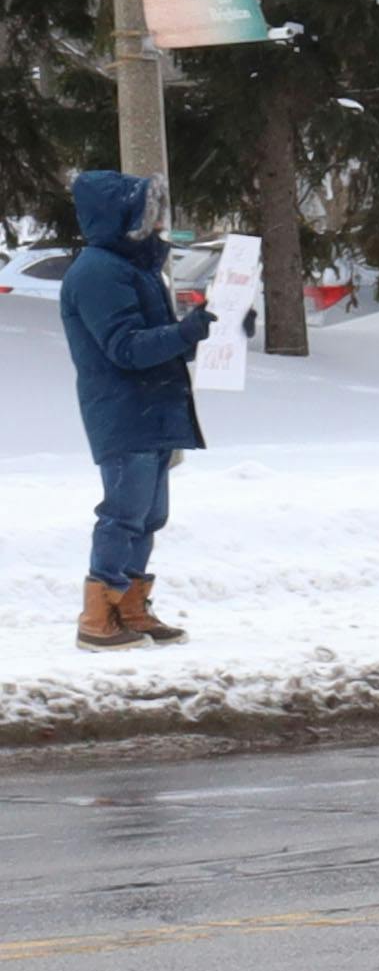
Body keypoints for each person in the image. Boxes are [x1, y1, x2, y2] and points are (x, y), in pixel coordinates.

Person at [54, 168, 209, 647]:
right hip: (123, 410)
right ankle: (97, 617)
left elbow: (160, 345)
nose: (157, 223)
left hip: (153, 408)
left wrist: (214, 330)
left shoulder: (133, 267)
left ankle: (131, 607)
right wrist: (185, 333)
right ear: (119, 215)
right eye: (147, 213)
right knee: (123, 512)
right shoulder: (99, 270)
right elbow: (125, 347)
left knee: (148, 515)